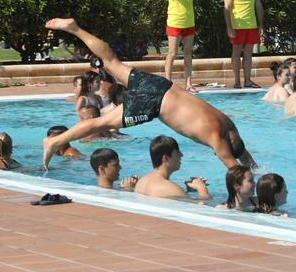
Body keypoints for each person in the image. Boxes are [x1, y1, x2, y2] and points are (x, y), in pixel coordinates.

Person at [42, 18, 255, 170]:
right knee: (101, 123)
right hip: (152, 104)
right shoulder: (216, 138)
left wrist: (254, 167)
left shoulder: (227, 124)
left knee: (112, 61)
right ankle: (55, 142)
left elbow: (243, 154)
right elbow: (234, 168)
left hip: (161, 85)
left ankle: (75, 28)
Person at [163, 0, 203, 92]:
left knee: (188, 53)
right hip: (175, 23)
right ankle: (167, 84)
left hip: (189, 24)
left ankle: (188, 84)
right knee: (172, 53)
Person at [223, 0, 265, 89]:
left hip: (251, 26)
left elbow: (258, 5)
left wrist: (261, 25)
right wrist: (229, 26)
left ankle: (247, 80)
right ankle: (237, 81)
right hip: (237, 26)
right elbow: (227, 8)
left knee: (248, 54)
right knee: (236, 54)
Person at [135, 135, 209, 199]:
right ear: (166, 158)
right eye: (177, 152)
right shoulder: (170, 189)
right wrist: (201, 188)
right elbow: (202, 209)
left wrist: (188, 192)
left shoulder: (141, 182)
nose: (181, 155)